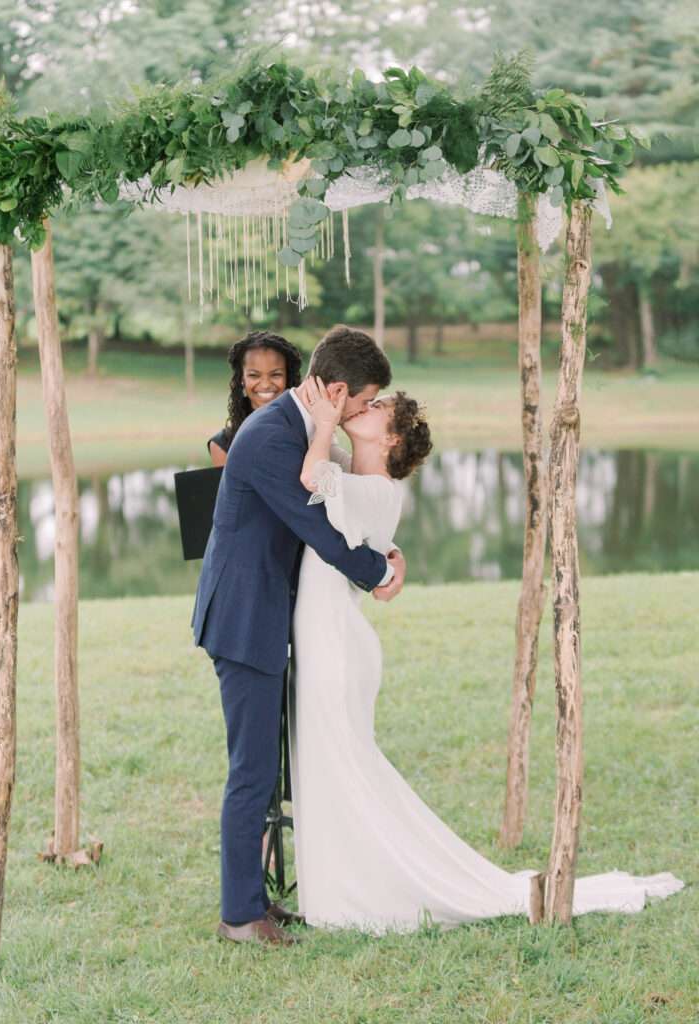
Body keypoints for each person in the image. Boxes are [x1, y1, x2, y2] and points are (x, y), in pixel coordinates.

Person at [288, 378, 685, 935]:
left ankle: (356, 891)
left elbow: (309, 478)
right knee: (333, 763)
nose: (363, 405)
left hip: (334, 640)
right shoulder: (356, 481)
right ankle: (341, 885)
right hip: (326, 635)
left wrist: (325, 421)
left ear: (393, 439)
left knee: (341, 763)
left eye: (377, 407)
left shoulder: (376, 490)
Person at [192, 325, 407, 946]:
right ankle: (240, 916)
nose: (365, 413)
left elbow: (345, 507)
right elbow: (317, 529)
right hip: (244, 618)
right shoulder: (267, 439)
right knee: (252, 770)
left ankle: (255, 899)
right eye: (365, 403)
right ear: (337, 391)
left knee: (265, 765)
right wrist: (379, 573)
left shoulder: (293, 428)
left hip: (264, 610)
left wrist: (388, 552)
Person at [208, 331, 303, 467]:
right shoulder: (222, 445)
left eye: (276, 374)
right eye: (254, 375)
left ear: (288, 378)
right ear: (242, 379)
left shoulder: (308, 430)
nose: (265, 384)